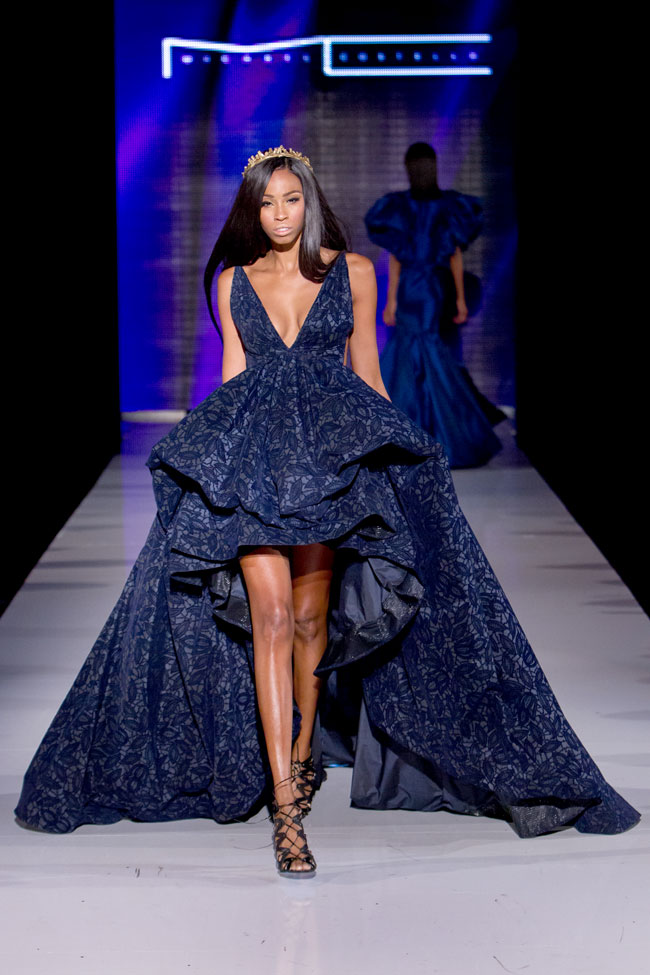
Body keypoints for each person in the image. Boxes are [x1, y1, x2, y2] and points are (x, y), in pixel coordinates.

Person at [15, 147, 639, 881]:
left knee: (312, 621)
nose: (280, 215)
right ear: (251, 211)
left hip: (327, 469)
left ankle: (304, 752)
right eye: (266, 203)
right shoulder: (233, 282)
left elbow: (367, 374)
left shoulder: (357, 273)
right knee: (273, 618)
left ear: (309, 201)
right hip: (254, 472)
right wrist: (204, 464)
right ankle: (286, 806)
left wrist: (406, 457)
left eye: (291, 200)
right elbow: (232, 383)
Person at [365, 141, 506, 467]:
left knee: (420, 351)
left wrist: (394, 300)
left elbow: (418, 256)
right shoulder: (435, 206)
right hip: (426, 288)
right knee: (417, 352)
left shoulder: (411, 206)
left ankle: (418, 431)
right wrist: (455, 299)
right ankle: (427, 430)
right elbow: (433, 256)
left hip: (419, 289)